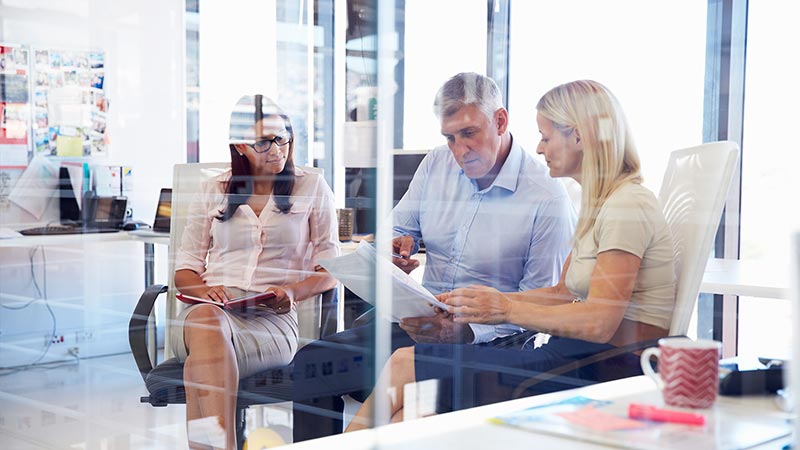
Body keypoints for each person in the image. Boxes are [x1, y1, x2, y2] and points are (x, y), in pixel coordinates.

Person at [346, 79, 676, 430]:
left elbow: (600, 322)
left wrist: (503, 308)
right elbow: (562, 294)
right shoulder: (601, 205)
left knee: (403, 365)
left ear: (578, 136)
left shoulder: (628, 204)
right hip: (573, 356)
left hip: (602, 368)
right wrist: (479, 304)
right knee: (412, 413)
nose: (538, 147)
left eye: (547, 137)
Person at [292, 72, 576, 441]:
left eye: (469, 133)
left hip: (488, 344)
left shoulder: (547, 198)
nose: (459, 150)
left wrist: (467, 330)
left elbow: (539, 308)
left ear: (501, 121)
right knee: (312, 364)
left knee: (413, 408)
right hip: (419, 325)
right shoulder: (435, 165)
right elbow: (396, 232)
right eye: (450, 137)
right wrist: (394, 249)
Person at [168, 94, 340, 449]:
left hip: (271, 319)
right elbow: (185, 270)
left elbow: (332, 270)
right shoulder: (213, 190)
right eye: (264, 142)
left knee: (199, 365)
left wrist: (292, 293)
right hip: (210, 310)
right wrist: (204, 293)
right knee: (208, 324)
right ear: (240, 145)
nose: (277, 149)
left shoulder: (311, 187)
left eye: (282, 138)